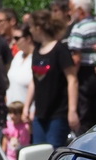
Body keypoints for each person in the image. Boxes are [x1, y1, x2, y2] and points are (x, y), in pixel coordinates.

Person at [26, 11, 79, 145]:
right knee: (38, 153)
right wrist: (27, 106)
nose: (30, 31)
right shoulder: (36, 51)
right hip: (40, 114)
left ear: (38, 28)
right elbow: (34, 80)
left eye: (31, 27)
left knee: (53, 152)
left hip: (58, 113)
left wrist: (72, 111)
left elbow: (72, 80)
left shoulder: (60, 50)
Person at [67, 0, 96, 127]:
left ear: (80, 11)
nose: (69, 12)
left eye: (71, 9)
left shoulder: (78, 28)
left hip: (84, 74)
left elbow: (76, 58)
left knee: (85, 113)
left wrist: (72, 78)